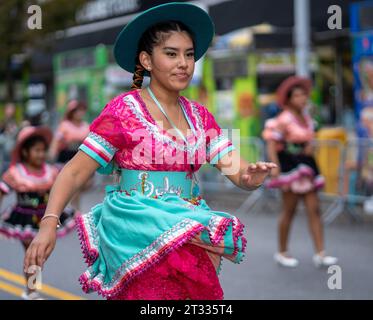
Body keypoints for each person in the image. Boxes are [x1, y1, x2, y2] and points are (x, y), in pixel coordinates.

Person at [24, 2, 276, 300]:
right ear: (146, 60)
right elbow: (75, 170)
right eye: (171, 54)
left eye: (189, 54)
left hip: (187, 234)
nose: (183, 63)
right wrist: (48, 224)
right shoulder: (123, 111)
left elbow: (236, 168)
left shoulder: (200, 117)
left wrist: (251, 176)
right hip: (137, 235)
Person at [262, 76, 338, 268]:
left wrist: (310, 147)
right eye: (297, 95)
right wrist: (275, 166)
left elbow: (309, 138)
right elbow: (272, 143)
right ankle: (282, 251)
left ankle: (321, 253)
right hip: (290, 166)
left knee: (314, 208)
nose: (302, 98)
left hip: (307, 165)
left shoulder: (307, 117)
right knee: (290, 210)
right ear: (288, 99)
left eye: (304, 95)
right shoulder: (283, 118)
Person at [0, 126, 76, 300]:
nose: (41, 154)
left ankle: (32, 289)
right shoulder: (16, 173)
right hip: (24, 218)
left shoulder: (50, 171)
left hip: (45, 219)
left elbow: (61, 190)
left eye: (43, 150)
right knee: (33, 255)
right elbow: (2, 191)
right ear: (26, 152)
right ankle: (31, 291)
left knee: (38, 256)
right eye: (37, 150)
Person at [48, 100, 91, 211]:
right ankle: (69, 208)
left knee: (79, 185)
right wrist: (52, 152)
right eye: (77, 111)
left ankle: (74, 208)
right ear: (72, 112)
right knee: (70, 184)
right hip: (66, 157)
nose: (80, 113)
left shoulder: (86, 126)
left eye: (82, 110)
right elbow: (56, 140)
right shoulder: (64, 125)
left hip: (81, 157)